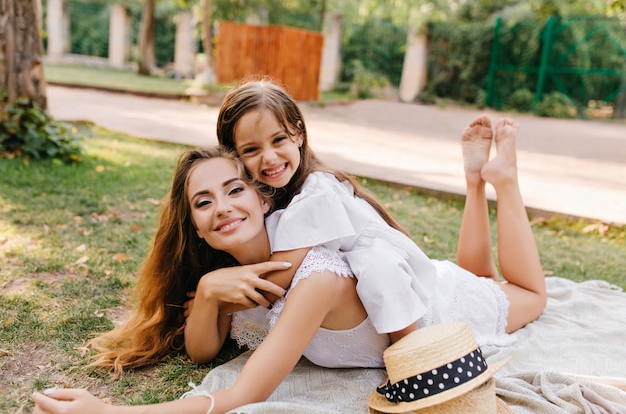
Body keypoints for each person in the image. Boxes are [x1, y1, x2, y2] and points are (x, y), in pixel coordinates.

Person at [32, 115, 547, 414]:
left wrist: (109, 412)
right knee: (477, 271)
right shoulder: (236, 279)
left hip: (441, 310)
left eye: (234, 189)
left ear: (263, 198)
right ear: (193, 224)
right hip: (415, 284)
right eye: (203, 202)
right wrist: (210, 291)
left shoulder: (316, 274)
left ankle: (500, 181)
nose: (224, 207)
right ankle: (476, 181)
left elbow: (242, 394)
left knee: (524, 292)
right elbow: (201, 353)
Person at [216, 79, 547, 342]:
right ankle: (475, 182)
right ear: (233, 157)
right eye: (251, 149)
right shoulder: (276, 197)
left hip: (425, 313)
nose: (270, 158)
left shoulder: (315, 196)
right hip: (427, 285)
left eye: (278, 140)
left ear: (299, 133)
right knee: (481, 279)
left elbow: (271, 283)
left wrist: (213, 297)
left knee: (532, 295)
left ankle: (505, 180)